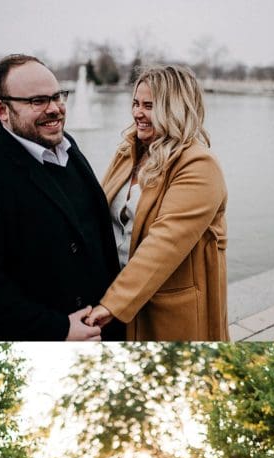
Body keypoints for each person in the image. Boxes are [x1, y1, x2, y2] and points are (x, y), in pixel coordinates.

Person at [0, 53, 122, 341]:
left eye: (58, 96)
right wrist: (58, 329)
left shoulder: (68, 146)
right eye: (38, 101)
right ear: (2, 110)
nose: (55, 109)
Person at [86, 65, 229, 341]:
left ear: (175, 108)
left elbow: (165, 243)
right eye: (136, 103)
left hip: (165, 309)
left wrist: (112, 304)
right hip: (115, 296)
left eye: (149, 106)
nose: (137, 113)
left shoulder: (199, 165)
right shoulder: (128, 151)